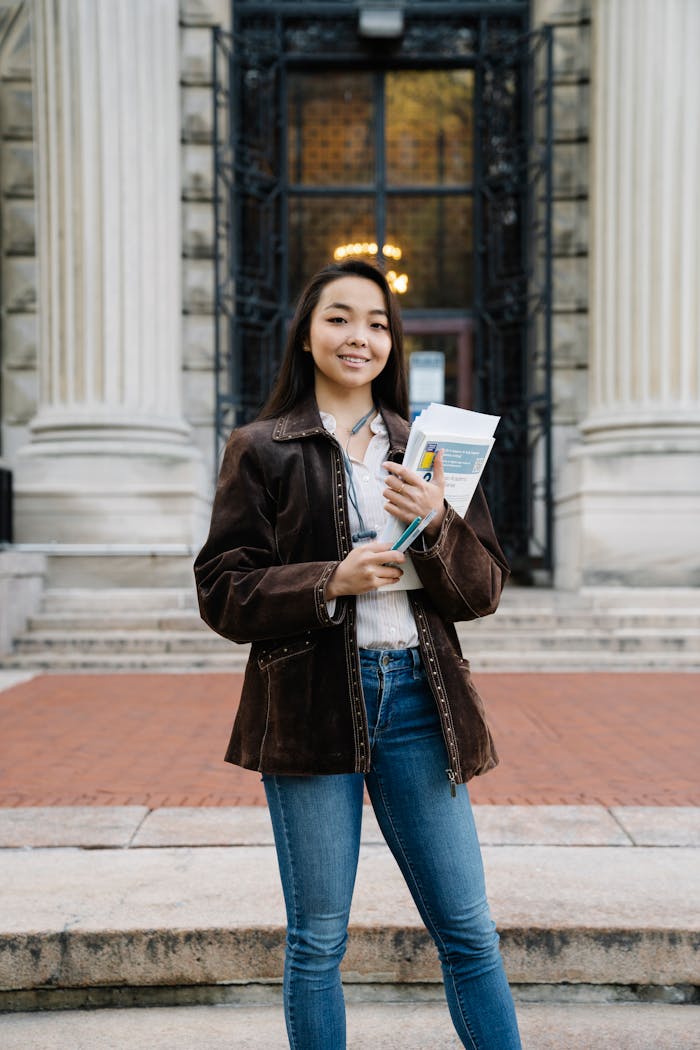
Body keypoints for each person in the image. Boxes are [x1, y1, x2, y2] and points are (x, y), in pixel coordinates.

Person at [194, 258, 522, 1049]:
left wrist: (439, 522)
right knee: (317, 940)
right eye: (339, 318)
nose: (359, 336)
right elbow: (222, 590)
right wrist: (328, 581)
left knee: (470, 931)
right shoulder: (261, 448)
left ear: (392, 344)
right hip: (308, 707)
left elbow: (481, 593)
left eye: (377, 323)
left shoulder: (428, 447)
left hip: (417, 697)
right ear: (307, 337)